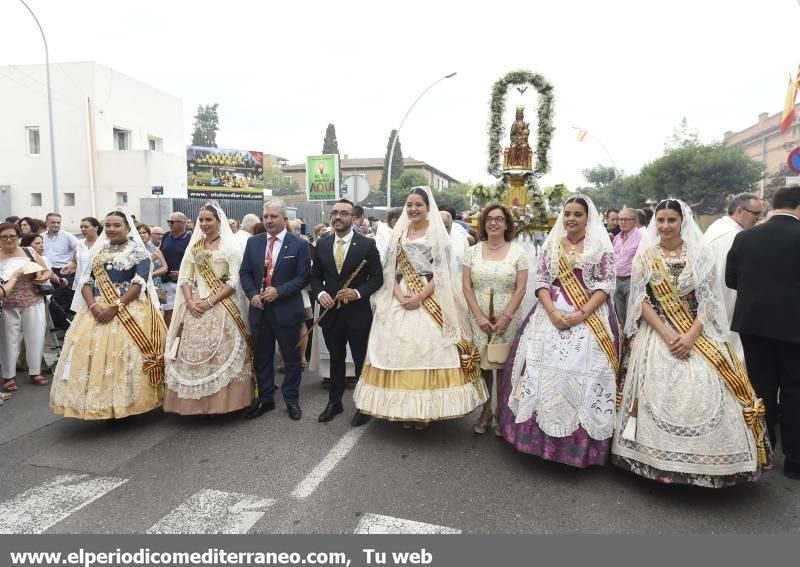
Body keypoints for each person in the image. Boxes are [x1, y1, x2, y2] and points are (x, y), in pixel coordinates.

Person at [612, 199, 770, 487]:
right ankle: (652, 458)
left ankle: (712, 461)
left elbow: (709, 300)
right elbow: (641, 300)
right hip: (658, 334)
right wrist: (668, 334)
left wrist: (691, 335)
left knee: (706, 385)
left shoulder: (700, 255)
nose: (665, 225)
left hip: (695, 333)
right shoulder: (645, 256)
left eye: (671, 220)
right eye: (660, 220)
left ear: (683, 222)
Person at [497, 196, 619, 467]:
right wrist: (552, 311)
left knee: (587, 375)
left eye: (578, 214)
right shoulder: (552, 244)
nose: (572, 218)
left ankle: (578, 447)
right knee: (539, 370)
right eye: (568, 213)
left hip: (589, 316)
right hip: (550, 313)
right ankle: (534, 440)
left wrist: (580, 314)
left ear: (588, 217)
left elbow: (605, 285)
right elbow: (541, 281)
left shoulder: (600, 246)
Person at [353, 187, 487, 427]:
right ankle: (404, 410)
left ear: (428, 208)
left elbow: (443, 272)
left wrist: (420, 297)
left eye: (418, 205)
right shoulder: (399, 231)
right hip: (400, 293)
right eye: (410, 204)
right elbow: (389, 269)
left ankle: (425, 410)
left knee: (426, 349)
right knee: (398, 350)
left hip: (430, 292)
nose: (413, 209)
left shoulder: (437, 233)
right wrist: (399, 294)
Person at [50, 212, 166, 420]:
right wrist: (93, 306)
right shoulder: (100, 251)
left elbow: (139, 283)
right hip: (97, 308)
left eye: (117, 225)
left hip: (129, 308)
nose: (111, 229)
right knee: (97, 357)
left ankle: (130, 402)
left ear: (127, 228)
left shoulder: (138, 252)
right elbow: (87, 282)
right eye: (108, 225)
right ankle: (102, 405)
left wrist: (115, 307)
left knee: (126, 357)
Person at [726, 186, 800, 480]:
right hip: (794, 325)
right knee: (795, 390)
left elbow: (731, 279)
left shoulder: (744, 237)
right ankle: (795, 460)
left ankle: (762, 450)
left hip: (752, 323)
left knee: (760, 387)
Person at [164, 204, 254, 415]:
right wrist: (189, 300)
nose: (204, 224)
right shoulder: (195, 247)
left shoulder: (229, 247)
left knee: (221, 351)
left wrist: (210, 302)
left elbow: (235, 279)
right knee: (191, 352)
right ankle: (193, 405)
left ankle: (224, 403)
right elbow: (185, 277)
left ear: (218, 221)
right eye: (201, 220)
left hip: (222, 304)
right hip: (195, 303)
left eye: (208, 220)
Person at [311, 199, 383, 425]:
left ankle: (363, 404)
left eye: (344, 213)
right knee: (336, 360)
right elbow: (314, 276)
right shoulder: (322, 243)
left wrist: (358, 293)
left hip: (357, 314)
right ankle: (335, 402)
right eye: (335, 213)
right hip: (330, 312)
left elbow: (377, 278)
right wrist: (320, 293)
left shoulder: (366, 244)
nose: (338, 217)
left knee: (361, 360)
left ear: (353, 218)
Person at [240, 200, 311, 421]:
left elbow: (303, 277)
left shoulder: (298, 244)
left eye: (274, 217)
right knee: (263, 357)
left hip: (287, 310)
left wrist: (279, 291)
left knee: (291, 358)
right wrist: (252, 294)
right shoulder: (254, 243)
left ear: (284, 220)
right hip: (260, 311)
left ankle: (291, 399)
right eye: (266, 217)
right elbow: (245, 273)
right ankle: (266, 398)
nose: (269, 221)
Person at [462, 204, 528, 435]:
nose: (493, 223)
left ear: (507, 224)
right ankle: (485, 410)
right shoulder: (472, 251)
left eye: (499, 219)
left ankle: (502, 411)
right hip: (478, 316)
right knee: (482, 365)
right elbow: (466, 286)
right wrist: (478, 316)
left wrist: (507, 317)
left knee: (502, 365)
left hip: (506, 316)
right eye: (489, 219)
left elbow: (521, 289)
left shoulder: (518, 252)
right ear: (483, 223)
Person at [704, 193, 762, 359]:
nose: (759, 218)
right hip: (727, 301)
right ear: (739, 211)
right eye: (755, 213)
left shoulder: (717, 228)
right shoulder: (733, 236)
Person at [0, 222, 52, 392]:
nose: (9, 240)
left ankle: (35, 372)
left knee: (35, 337)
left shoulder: (29, 251)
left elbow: (47, 270)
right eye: (4, 237)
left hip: (33, 300)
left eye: (12, 236)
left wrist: (43, 278)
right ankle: (9, 376)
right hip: (7, 303)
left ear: (19, 236)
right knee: (8, 341)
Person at [612, 207, 643, 330]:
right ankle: (625, 343)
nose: (622, 222)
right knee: (621, 315)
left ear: (635, 221)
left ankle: (633, 342)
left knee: (633, 316)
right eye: (620, 219)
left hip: (632, 281)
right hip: (617, 280)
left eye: (625, 219)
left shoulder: (641, 238)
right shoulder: (617, 238)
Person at [160, 212, 192, 326]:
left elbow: (193, 261)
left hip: (184, 282)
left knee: (183, 313)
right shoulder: (166, 236)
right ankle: (168, 337)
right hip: (166, 282)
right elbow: (160, 253)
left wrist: (181, 272)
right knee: (168, 312)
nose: (169, 224)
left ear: (182, 223)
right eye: (168, 221)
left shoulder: (190, 239)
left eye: (172, 222)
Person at [63, 218, 102, 310]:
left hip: (98, 285)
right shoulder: (79, 244)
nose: (83, 229)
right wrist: (68, 267)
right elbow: (74, 262)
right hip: (81, 284)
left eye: (86, 227)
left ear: (96, 228)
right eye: (81, 227)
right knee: (82, 312)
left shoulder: (104, 244)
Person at [42, 212, 78, 309]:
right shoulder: (41, 237)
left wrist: (73, 264)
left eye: (58, 222)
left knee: (67, 298)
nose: (56, 225)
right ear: (47, 223)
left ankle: (69, 320)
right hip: (47, 271)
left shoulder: (68, 236)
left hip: (64, 271)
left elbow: (80, 249)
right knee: (52, 299)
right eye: (53, 222)